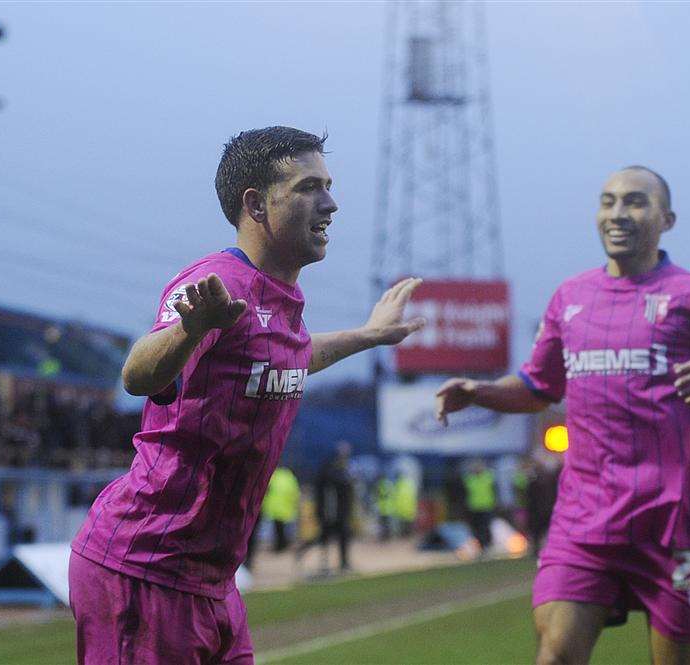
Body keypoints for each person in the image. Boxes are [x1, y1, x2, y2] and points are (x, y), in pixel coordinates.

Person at [69, 126, 424, 665]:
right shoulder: (218, 284)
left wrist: (369, 335)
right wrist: (190, 330)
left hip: (212, 583)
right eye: (310, 187)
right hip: (145, 568)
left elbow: (296, 354)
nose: (331, 203)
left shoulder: (282, 297)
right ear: (255, 204)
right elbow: (138, 373)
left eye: (328, 185)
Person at [435, 166, 690, 665]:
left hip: (674, 523)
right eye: (607, 202)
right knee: (556, 654)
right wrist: (480, 392)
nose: (617, 214)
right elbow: (537, 387)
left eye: (634, 202)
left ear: (666, 219)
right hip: (585, 522)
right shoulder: (571, 299)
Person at [296, 441, 356, 573]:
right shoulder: (331, 469)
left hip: (340, 512)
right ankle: (320, 560)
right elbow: (329, 490)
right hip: (330, 512)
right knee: (324, 537)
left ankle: (344, 563)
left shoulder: (343, 469)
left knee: (342, 536)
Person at [261, 466, 301, 552]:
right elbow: (295, 491)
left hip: (274, 507)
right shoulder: (289, 476)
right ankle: (283, 545)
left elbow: (266, 489)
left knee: (278, 529)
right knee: (282, 529)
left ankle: (280, 546)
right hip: (285, 507)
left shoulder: (274, 476)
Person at [462, 458, 496, 550]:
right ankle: (481, 545)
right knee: (477, 528)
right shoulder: (469, 479)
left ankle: (487, 544)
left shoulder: (489, 477)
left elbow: (494, 490)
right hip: (474, 507)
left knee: (485, 527)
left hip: (486, 506)